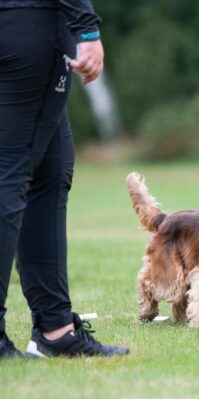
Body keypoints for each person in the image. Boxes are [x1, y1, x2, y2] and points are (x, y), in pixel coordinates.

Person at [0, 0, 128, 358]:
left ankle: (56, 330)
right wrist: (86, 27)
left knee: (51, 169)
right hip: (32, 24)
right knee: (11, 173)